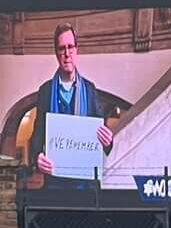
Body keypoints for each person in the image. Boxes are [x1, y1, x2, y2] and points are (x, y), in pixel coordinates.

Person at [30, 23, 113, 186]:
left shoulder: (90, 90)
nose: (66, 53)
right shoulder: (45, 92)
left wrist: (109, 141)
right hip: (55, 186)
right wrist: (37, 157)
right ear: (56, 53)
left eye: (70, 47)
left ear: (77, 50)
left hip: (85, 187)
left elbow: (103, 139)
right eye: (62, 48)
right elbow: (37, 137)